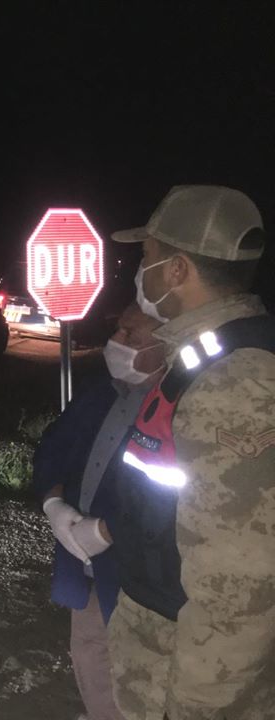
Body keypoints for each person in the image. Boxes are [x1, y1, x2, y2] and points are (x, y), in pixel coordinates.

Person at [106, 185, 275, 720]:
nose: (141, 270)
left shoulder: (233, 380)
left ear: (177, 270)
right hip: (161, 641)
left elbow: (238, 590)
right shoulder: (203, 357)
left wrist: (197, 707)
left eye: (147, 256)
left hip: (185, 672)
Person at [32, 302, 166, 720]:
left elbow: (173, 500)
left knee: (144, 680)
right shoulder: (98, 394)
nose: (116, 342)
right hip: (86, 569)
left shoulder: (179, 407)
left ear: (168, 344)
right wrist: (53, 502)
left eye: (131, 335)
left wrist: (106, 532)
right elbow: (52, 447)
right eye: (118, 330)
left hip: (142, 579)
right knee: (91, 658)